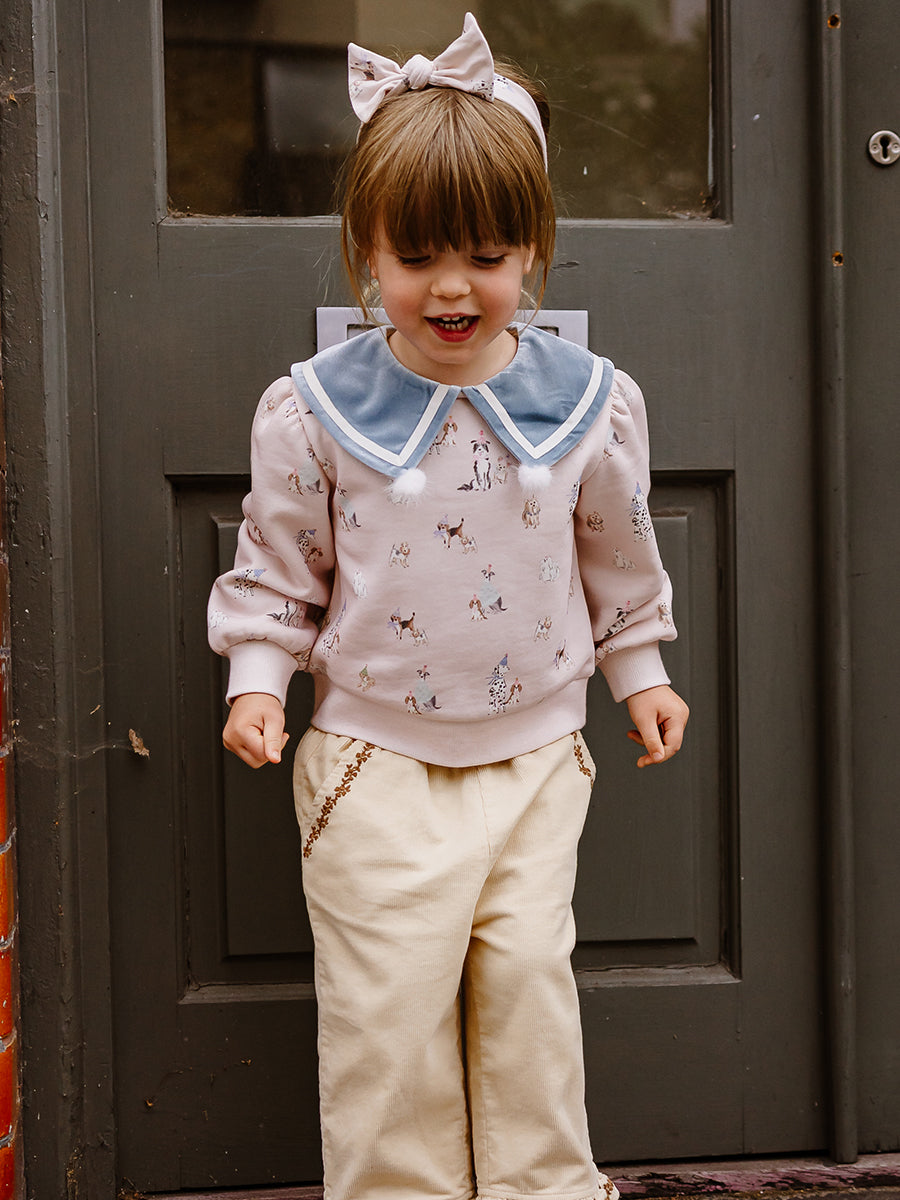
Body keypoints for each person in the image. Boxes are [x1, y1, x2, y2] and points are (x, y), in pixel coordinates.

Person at [208, 13, 689, 1200]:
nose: (455, 287)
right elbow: (280, 562)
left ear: (534, 249)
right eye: (418, 257)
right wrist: (258, 680)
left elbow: (617, 557)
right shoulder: (316, 412)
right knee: (388, 1024)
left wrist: (641, 673)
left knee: (531, 1006)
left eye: (487, 253)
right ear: (365, 253)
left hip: (536, 761)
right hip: (376, 768)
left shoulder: (588, 406)